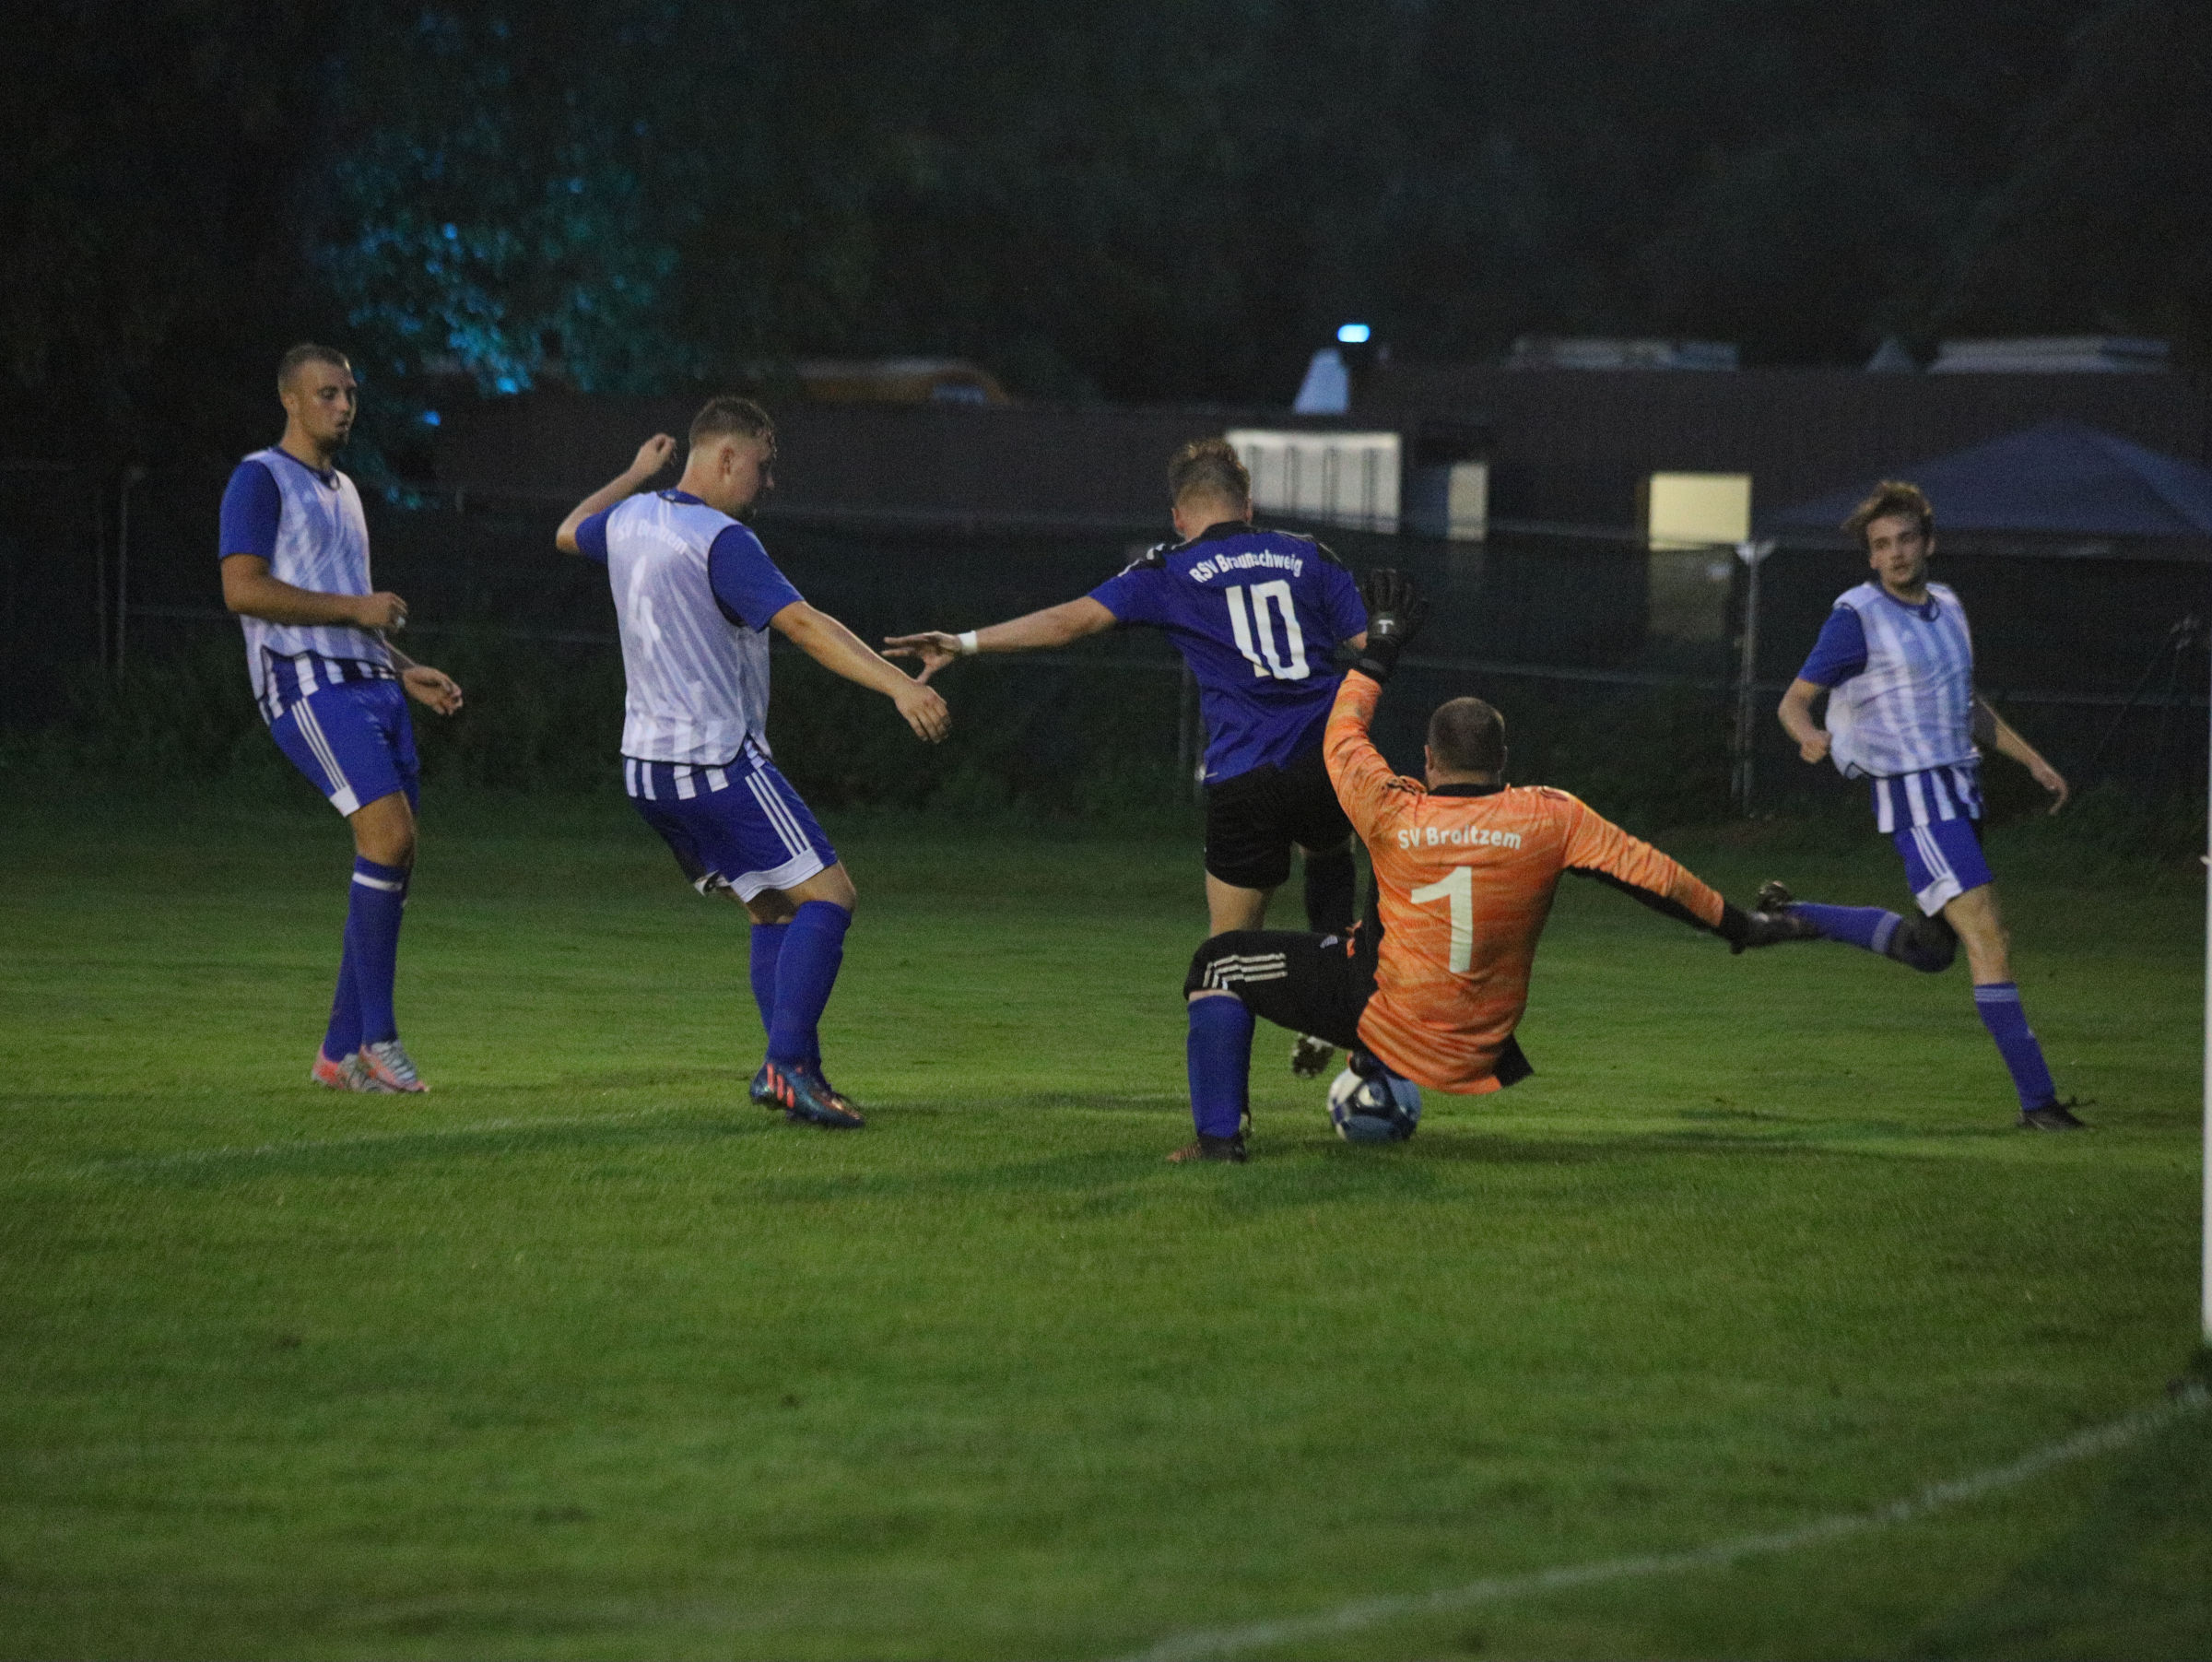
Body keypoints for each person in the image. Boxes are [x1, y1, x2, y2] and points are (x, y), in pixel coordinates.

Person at [1172, 570, 1815, 1161]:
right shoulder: (1550, 818)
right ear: (1503, 760)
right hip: (1480, 1041)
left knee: (1219, 963)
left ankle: (1219, 1142)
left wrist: (1380, 651)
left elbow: (1342, 732)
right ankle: (1368, 1061)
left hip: (1390, 1015)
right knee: (1367, 938)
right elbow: (1659, 880)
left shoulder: (1392, 809)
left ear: (1429, 760)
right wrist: (1741, 925)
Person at [884, 437, 1369, 1076]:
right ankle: (1339, 1015)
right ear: (1248, 507)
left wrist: (965, 642)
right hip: (1326, 760)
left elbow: (1070, 621)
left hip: (1245, 774)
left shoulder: (1170, 569)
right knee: (1330, 858)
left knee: (1229, 952)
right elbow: (1371, 642)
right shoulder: (1308, 554)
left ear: (1179, 516)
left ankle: (1227, 1115)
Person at [555, 396, 949, 1130]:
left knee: (772, 908)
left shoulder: (631, 518)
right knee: (831, 898)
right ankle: (786, 1065)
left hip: (645, 767)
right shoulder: (721, 539)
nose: (768, 484)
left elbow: (567, 529)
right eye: (762, 467)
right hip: (713, 760)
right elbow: (804, 624)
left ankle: (798, 1074)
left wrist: (635, 473)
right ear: (726, 456)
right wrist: (899, 685)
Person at [1771, 479, 2082, 1130]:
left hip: (1960, 791)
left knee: (1931, 949)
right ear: (1871, 556)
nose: (1896, 553)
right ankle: (2039, 1103)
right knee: (1989, 935)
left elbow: (1966, 707)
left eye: (1906, 539)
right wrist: (1808, 736)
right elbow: (1793, 702)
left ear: (1928, 543)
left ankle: (1794, 915)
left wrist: (2031, 760)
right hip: (1915, 796)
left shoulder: (1949, 606)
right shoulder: (1856, 616)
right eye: (1882, 544)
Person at [218, 343, 465, 1094]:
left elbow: (349, 611)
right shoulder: (259, 478)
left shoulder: (347, 490)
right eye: (327, 393)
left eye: (350, 394)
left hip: (371, 683)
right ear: (290, 399)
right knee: (386, 836)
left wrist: (403, 667)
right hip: (306, 683)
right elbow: (242, 588)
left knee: (396, 852)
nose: (343, 405)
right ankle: (377, 1040)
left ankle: (337, 1052)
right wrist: (357, 609)